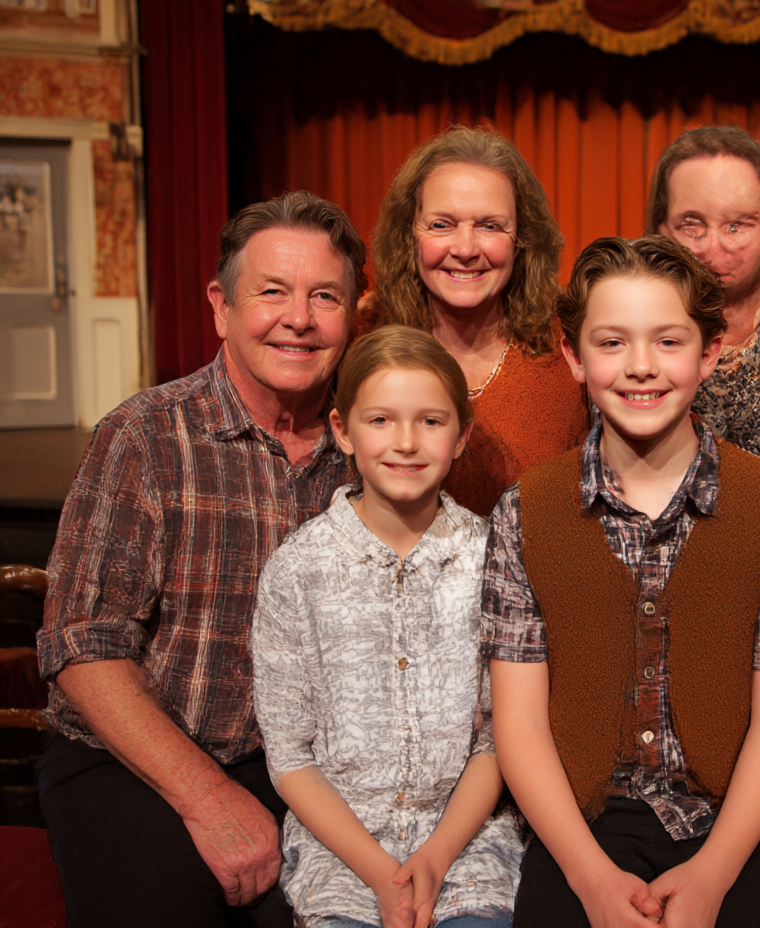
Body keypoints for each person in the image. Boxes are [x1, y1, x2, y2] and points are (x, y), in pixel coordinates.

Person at [34, 191, 365, 928]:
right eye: (271, 291)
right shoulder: (144, 437)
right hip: (138, 761)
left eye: (325, 296)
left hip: (305, 775)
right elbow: (83, 644)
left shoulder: (375, 448)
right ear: (221, 306)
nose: (299, 318)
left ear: (355, 313)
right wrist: (206, 797)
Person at [484, 235, 760, 928]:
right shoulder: (526, 511)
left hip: (733, 822)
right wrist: (590, 879)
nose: (641, 367)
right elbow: (517, 725)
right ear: (575, 356)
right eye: (612, 343)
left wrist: (713, 875)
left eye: (669, 342)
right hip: (582, 825)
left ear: (710, 352)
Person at [252, 326, 522, 928]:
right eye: (380, 421)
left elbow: (496, 739)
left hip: (468, 845)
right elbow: (291, 756)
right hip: (341, 852)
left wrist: (438, 854)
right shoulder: (297, 572)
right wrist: (379, 872)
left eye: (430, 421)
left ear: (462, 434)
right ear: (342, 431)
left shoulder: (494, 561)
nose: (405, 442)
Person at [366, 125, 589, 516]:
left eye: (490, 226)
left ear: (522, 238)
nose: (466, 249)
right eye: (441, 224)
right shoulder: (363, 334)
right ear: (409, 235)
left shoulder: (574, 337)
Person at [647, 125, 760, 490]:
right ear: (660, 228)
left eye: (737, 225)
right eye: (691, 225)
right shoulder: (624, 336)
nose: (713, 246)